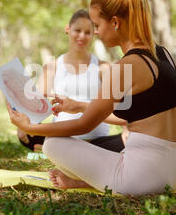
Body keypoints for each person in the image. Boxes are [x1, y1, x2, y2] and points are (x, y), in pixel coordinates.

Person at [7, 0, 176, 196]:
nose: (95, 32)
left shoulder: (125, 67)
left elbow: (83, 125)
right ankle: (85, 180)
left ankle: (87, 180)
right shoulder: (163, 54)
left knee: (52, 144)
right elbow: (129, 115)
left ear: (115, 22)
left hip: (144, 180)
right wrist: (80, 105)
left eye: (97, 25)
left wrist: (29, 127)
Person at [17, 9, 127, 152]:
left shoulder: (104, 67)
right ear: (68, 29)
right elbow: (38, 104)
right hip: (62, 136)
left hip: (97, 140)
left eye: (87, 32)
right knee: (25, 135)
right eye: (78, 30)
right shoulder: (52, 67)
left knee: (130, 139)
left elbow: (119, 109)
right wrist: (26, 123)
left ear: (94, 34)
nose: (82, 36)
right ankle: (54, 148)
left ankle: (53, 150)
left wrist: (126, 129)